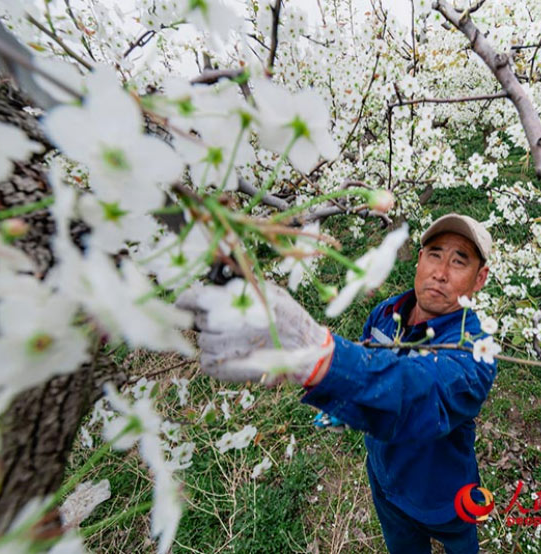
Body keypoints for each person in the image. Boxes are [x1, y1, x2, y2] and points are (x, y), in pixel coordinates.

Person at [179, 213, 497, 554]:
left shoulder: (476, 351)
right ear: (419, 259)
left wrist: (319, 357)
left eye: (459, 261)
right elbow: (368, 356)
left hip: (445, 496)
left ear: (479, 279)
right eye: (435, 253)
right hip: (385, 483)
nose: (441, 272)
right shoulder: (386, 313)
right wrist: (345, 403)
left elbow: (422, 393)